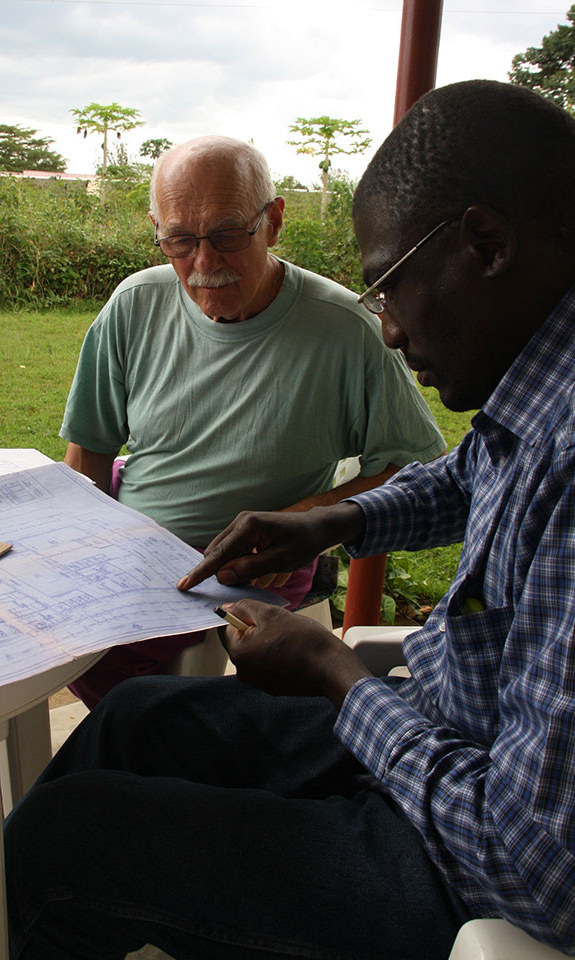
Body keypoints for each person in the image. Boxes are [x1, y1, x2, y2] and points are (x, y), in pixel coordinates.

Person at [4, 78, 575, 958]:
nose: (386, 330)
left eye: (390, 286)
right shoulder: (541, 387)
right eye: (179, 240)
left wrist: (335, 673)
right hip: (440, 738)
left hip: (450, 863)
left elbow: (529, 867)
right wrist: (329, 524)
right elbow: (460, 479)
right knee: (136, 719)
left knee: (64, 842)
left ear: (486, 246)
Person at [60, 134, 444, 708]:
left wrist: (301, 521)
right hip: (135, 553)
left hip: (255, 569)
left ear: (275, 221)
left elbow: (416, 468)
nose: (205, 262)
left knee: (136, 694)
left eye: (228, 234)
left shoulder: (344, 329)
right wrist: (86, 550)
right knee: (50, 639)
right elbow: (89, 450)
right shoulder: (134, 304)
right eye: (180, 240)